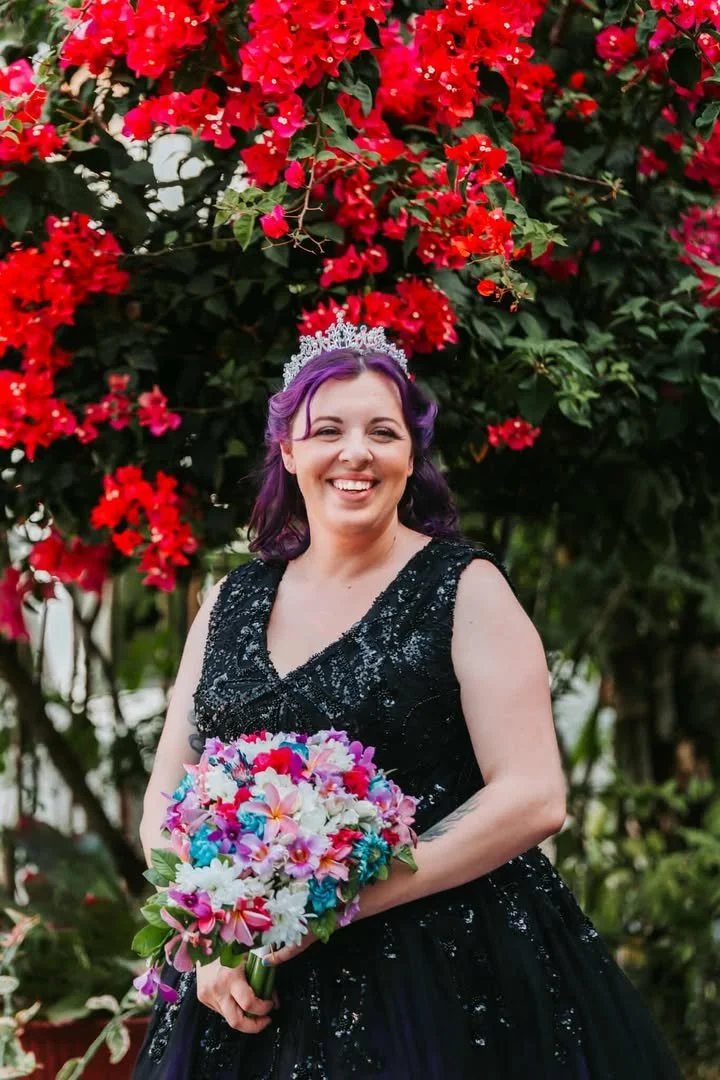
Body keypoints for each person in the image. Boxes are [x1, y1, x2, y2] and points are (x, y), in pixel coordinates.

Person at [133, 315, 682, 1079]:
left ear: (409, 456)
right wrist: (209, 933)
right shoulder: (229, 598)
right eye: (328, 429)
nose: (355, 453)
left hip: (447, 977)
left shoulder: (465, 588)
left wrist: (333, 904)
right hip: (247, 987)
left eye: (382, 433)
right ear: (289, 451)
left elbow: (533, 795)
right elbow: (168, 788)